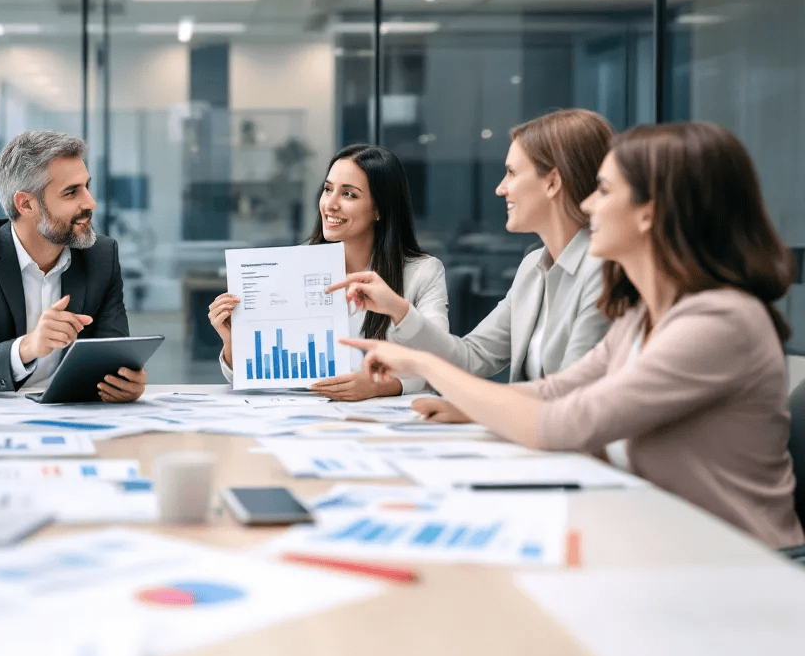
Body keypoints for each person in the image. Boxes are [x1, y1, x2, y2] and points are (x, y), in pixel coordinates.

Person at [349, 122, 804, 548]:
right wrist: (466, 406)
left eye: (604, 191)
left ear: (650, 213)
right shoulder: (644, 316)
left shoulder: (718, 324)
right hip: (658, 536)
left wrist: (425, 365)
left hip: (735, 564)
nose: (588, 204)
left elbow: (566, 422)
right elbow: (555, 390)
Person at [330, 110, 613, 418]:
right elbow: (471, 356)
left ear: (552, 182)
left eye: (512, 173)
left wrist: (473, 408)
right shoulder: (534, 267)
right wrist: (399, 310)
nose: (500, 188)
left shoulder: (602, 272)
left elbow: (568, 392)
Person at [208, 144, 448, 399]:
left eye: (349, 195)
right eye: (327, 189)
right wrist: (234, 343)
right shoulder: (291, 266)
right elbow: (259, 377)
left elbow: (441, 359)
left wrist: (377, 385)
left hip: (380, 427)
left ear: (380, 209)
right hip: (304, 421)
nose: (329, 205)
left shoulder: (423, 272)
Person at [0, 130, 146, 401]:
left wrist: (123, 381)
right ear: (26, 204)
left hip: (65, 414)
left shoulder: (100, 256)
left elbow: (112, 355)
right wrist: (28, 347)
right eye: (71, 192)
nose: (90, 203)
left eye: (86, 187)